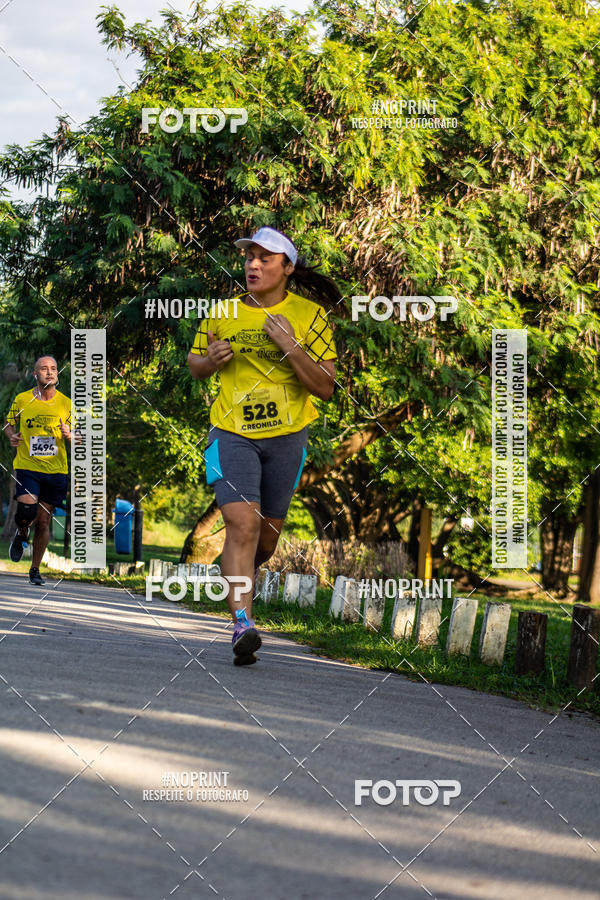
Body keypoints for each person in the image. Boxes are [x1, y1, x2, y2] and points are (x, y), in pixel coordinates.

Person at [188, 227, 339, 665]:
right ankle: (242, 625)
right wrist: (209, 361)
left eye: (264, 259)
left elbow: (326, 387)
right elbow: (195, 364)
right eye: (248, 257)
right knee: (242, 525)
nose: (253, 265)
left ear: (287, 268)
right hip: (231, 432)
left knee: (266, 541)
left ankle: (238, 574)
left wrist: (291, 346)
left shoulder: (311, 317)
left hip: (288, 437)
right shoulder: (222, 312)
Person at [4, 356, 72, 585]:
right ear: (35, 374)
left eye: (53, 368)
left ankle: (34, 569)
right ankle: (22, 533)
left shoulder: (66, 403)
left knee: (43, 521)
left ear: (57, 374)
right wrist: (11, 435)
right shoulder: (22, 399)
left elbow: (79, 435)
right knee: (27, 509)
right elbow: (8, 424)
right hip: (27, 466)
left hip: (56, 471)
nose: (50, 372)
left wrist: (70, 434)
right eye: (44, 369)